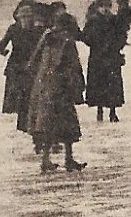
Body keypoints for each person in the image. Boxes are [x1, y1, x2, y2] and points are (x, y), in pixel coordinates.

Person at [25, 11, 87, 172]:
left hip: (43, 86)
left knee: (46, 125)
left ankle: (46, 160)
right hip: (62, 88)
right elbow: (74, 66)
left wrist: (41, 79)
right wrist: (78, 86)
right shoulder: (67, 41)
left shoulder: (46, 37)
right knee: (67, 124)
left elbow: (32, 63)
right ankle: (68, 158)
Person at [0, 2, 47, 134]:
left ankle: (32, 124)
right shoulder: (14, 29)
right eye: (22, 18)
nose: (25, 20)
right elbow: (2, 44)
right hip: (17, 67)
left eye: (27, 17)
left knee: (31, 97)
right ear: (18, 18)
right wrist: (2, 50)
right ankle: (24, 124)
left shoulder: (37, 30)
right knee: (22, 97)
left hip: (31, 66)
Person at [81, 0, 126, 122]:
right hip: (99, 58)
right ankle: (100, 111)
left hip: (108, 57)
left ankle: (112, 112)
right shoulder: (93, 22)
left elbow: (121, 35)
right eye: (102, 6)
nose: (105, 9)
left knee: (111, 85)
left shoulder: (113, 20)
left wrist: (117, 45)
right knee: (100, 84)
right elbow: (86, 38)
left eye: (107, 6)